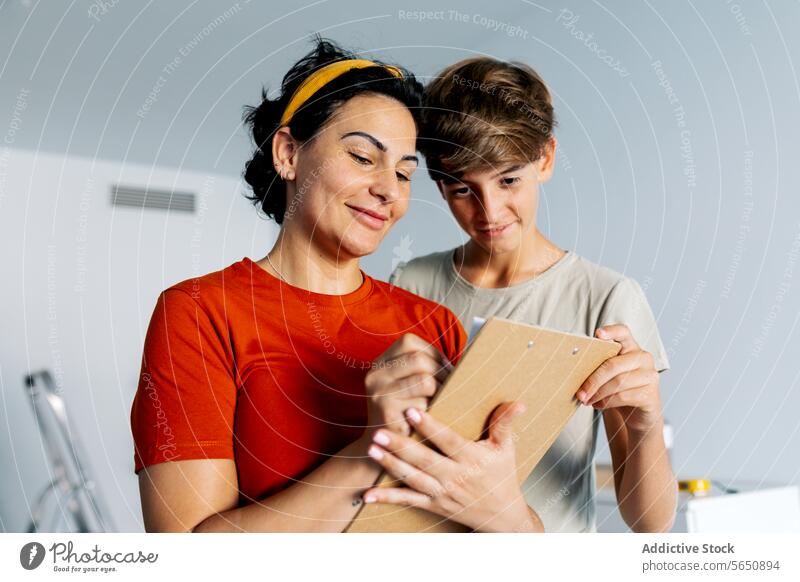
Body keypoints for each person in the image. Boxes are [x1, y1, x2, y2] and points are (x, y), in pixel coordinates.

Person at [130, 39, 540, 533]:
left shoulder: (431, 326)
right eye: (364, 157)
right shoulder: (200, 313)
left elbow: (496, 524)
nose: (389, 188)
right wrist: (373, 448)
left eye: (405, 172)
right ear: (288, 154)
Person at [389, 57, 678, 532]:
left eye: (508, 180)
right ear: (440, 187)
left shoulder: (604, 298)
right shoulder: (410, 285)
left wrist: (647, 420)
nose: (489, 211)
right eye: (462, 188)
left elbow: (650, 522)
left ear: (544, 159)